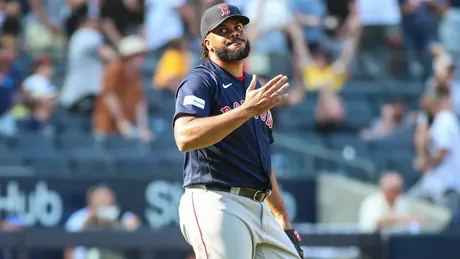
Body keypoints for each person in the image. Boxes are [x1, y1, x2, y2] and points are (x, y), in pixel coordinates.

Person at [173, 4, 303, 259]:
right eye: (223, 29)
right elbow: (184, 137)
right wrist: (246, 110)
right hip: (217, 200)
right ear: (208, 42)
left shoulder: (253, 87)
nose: (234, 32)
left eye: (238, 27)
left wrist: (284, 221)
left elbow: (262, 159)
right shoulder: (201, 81)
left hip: (258, 205)